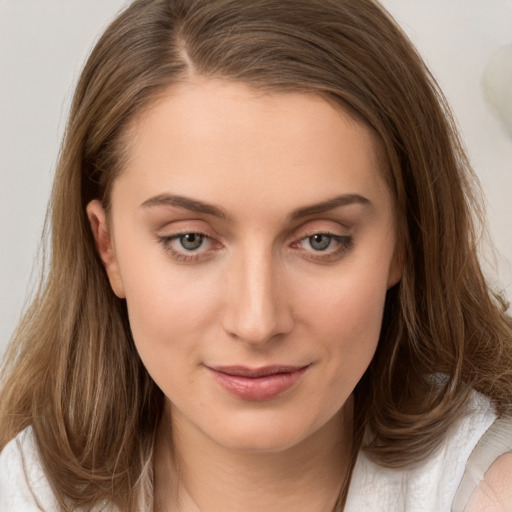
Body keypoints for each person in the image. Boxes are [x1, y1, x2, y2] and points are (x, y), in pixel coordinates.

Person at [1, 0, 511, 510]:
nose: (257, 322)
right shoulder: (26, 491)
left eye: (320, 240)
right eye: (190, 240)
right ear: (106, 246)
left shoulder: (489, 489)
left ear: (403, 242)